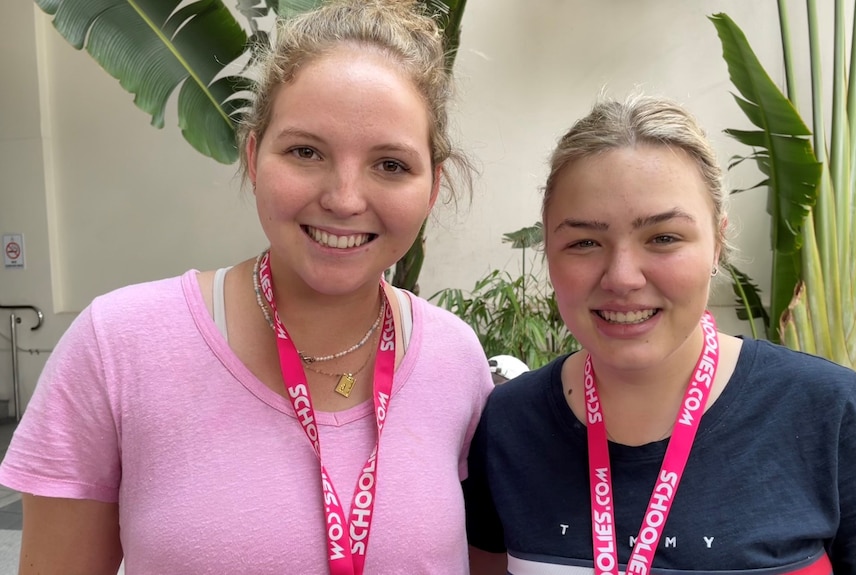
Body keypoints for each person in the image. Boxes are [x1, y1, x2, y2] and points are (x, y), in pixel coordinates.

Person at [0, 1, 495, 573]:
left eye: (390, 164)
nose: (344, 198)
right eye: (306, 151)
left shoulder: (455, 363)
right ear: (255, 156)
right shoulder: (119, 347)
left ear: (432, 188)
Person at [464, 94, 856, 575]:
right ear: (548, 249)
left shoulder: (829, 412)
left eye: (664, 238)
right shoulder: (508, 423)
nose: (623, 277)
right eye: (585, 242)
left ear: (717, 242)